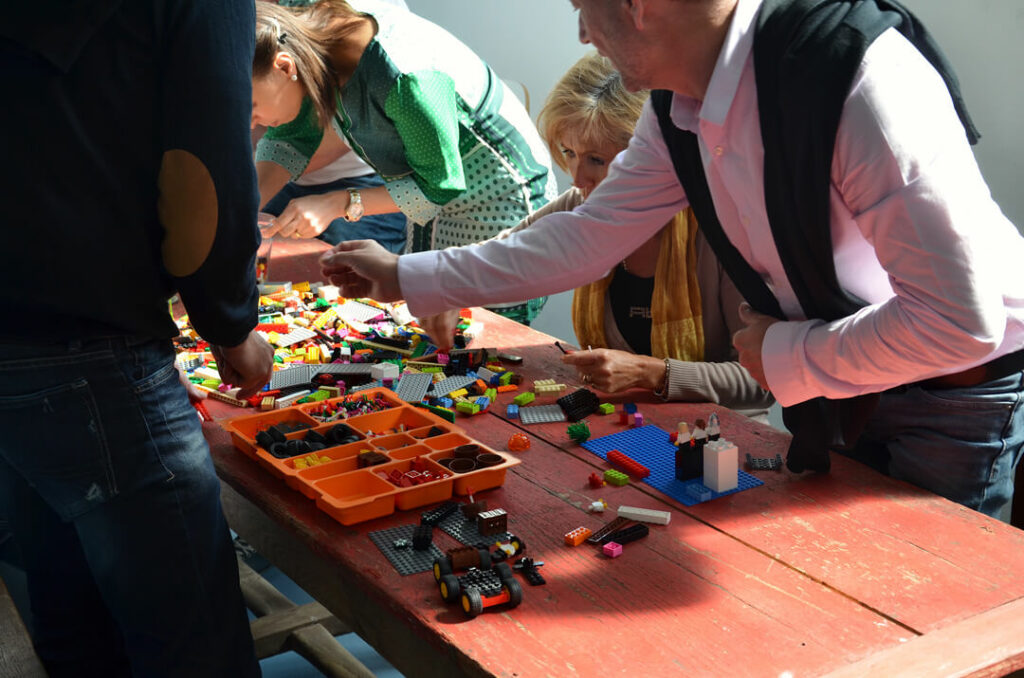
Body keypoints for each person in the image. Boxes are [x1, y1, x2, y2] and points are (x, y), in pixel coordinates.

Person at [319, 0, 1024, 520]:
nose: (583, 34)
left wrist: (787, 353)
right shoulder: (680, 105)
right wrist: (409, 276)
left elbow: (958, 323)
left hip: (953, 389)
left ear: (639, 5)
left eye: (582, 9)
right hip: (851, 379)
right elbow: (589, 234)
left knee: (936, 601)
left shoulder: (859, 79)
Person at [0, 2, 273, 676]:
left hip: (27, 342)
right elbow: (205, 175)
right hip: (88, 346)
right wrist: (232, 328)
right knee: (195, 653)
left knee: (78, 628)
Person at [488, 52, 773, 416]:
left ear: (651, 155)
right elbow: (498, 260)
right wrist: (446, 296)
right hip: (619, 422)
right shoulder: (583, 201)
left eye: (597, 160)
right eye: (569, 152)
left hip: (719, 433)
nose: (577, 178)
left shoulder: (723, 228)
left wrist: (652, 373)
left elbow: (762, 383)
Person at [252, 0, 558, 323]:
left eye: (253, 107)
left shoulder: (405, 77)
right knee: (432, 328)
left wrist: (336, 203)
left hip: (499, 203)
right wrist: (240, 214)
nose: (251, 123)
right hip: (435, 201)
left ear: (284, 67)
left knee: (481, 333)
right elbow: (292, 137)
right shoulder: (301, 42)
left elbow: (437, 188)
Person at [255, 0, 410, 253]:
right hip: (291, 178)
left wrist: (335, 203)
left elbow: (435, 189)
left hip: (372, 183)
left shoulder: (377, 54)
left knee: (352, 269)